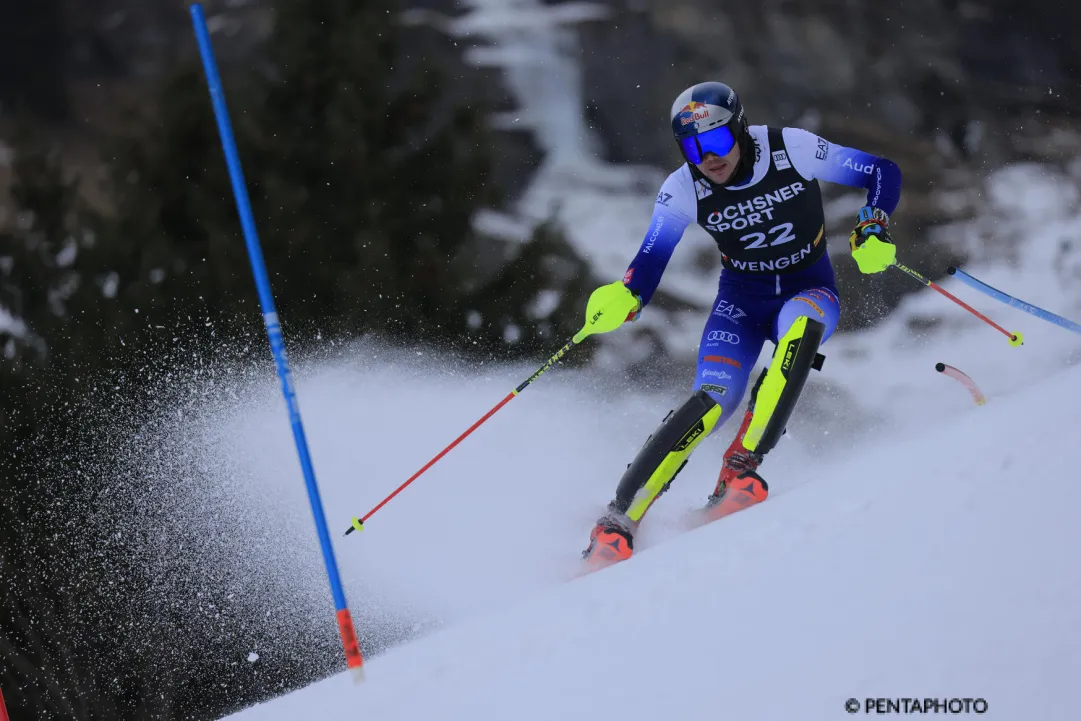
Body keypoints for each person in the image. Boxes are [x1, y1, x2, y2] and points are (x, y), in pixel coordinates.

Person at [581, 81, 902, 566]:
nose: (708, 157)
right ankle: (617, 523)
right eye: (693, 148)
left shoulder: (789, 147)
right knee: (713, 401)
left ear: (740, 129)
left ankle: (739, 468)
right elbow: (651, 259)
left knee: (799, 335)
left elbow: (881, 170)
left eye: (716, 141)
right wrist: (627, 295)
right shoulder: (683, 187)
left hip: (807, 289)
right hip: (740, 303)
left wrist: (872, 223)